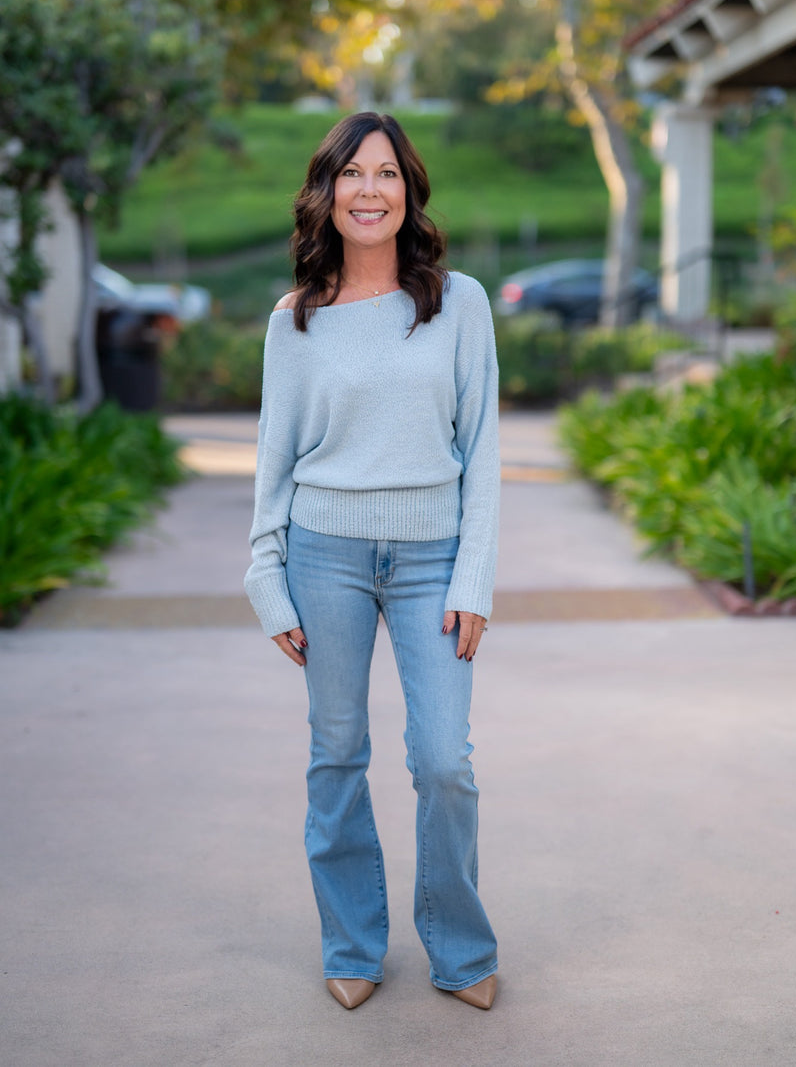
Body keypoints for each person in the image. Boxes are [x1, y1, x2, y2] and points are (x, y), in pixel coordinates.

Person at [244, 111, 500, 1011]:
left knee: (443, 760)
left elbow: (485, 451)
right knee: (337, 754)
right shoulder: (297, 321)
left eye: (386, 173)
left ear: (408, 192)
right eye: (351, 174)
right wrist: (264, 577)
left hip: (433, 555)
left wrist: (474, 576)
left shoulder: (457, 302)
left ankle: (461, 950)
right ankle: (352, 943)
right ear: (326, 193)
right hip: (326, 556)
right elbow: (275, 456)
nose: (368, 190)